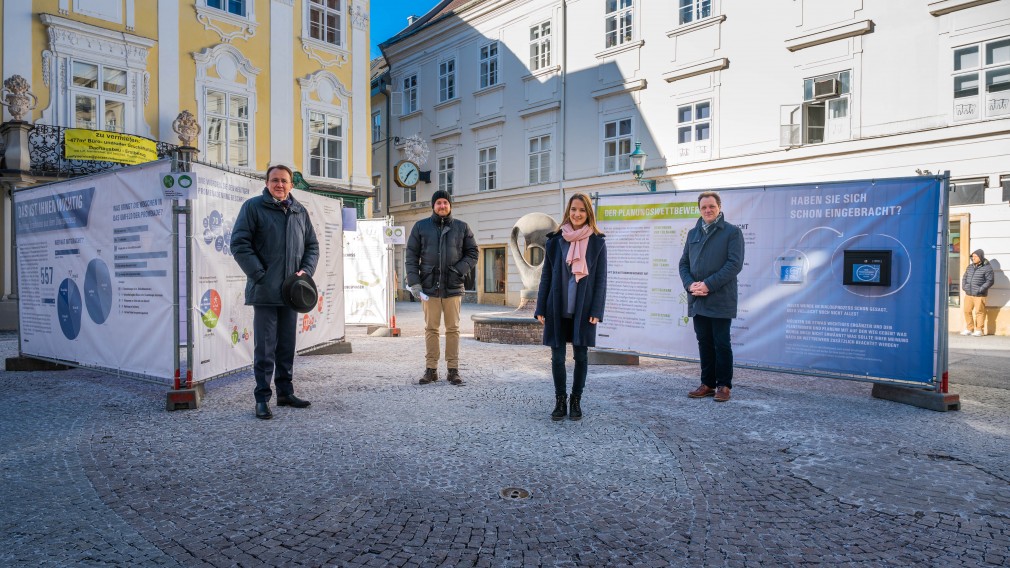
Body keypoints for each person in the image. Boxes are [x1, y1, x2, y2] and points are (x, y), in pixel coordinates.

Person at [231, 164, 319, 420]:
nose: (279, 185)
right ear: (267, 183)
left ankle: (285, 392)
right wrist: (260, 274)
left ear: (292, 185)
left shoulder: (299, 211)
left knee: (286, 346)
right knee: (265, 348)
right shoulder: (253, 207)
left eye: (284, 181)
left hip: (293, 292)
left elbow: (312, 246)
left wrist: (305, 271)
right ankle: (262, 397)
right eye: (275, 180)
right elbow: (239, 243)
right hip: (266, 291)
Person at [535, 193, 608, 421]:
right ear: (569, 211)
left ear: (588, 214)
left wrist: (597, 310)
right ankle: (560, 400)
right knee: (557, 358)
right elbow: (546, 276)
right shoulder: (555, 240)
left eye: (582, 210)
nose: (577, 214)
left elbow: (601, 280)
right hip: (557, 306)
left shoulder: (597, 242)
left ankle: (576, 400)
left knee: (581, 357)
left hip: (584, 309)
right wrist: (540, 307)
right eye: (574, 209)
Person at [405, 190, 478, 385]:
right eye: (438, 203)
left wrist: (458, 270)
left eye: (445, 202)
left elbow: (473, 253)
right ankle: (431, 369)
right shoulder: (421, 227)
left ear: (450, 205)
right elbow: (411, 256)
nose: (442, 206)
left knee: (453, 329)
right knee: (431, 328)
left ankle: (453, 370)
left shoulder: (462, 227)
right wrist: (414, 282)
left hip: (453, 286)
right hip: (429, 287)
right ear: (433, 206)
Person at [679, 191, 744, 403]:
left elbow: (734, 265)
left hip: (720, 298)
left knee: (721, 343)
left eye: (711, 206)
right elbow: (684, 264)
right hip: (698, 297)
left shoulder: (732, 232)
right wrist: (690, 285)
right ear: (700, 210)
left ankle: (723, 385)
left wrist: (708, 284)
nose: (707, 210)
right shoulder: (693, 234)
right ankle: (707, 383)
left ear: (719, 208)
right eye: (704, 207)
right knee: (704, 342)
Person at [961, 249, 994, 337]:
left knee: (979, 312)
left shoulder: (987, 268)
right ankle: (969, 329)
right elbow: (965, 277)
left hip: (980, 295)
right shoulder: (970, 267)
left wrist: (980, 289)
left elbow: (990, 281)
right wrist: (964, 287)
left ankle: (979, 330)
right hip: (969, 294)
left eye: (975, 256)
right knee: (966, 311)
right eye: (973, 256)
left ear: (981, 257)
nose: (973, 258)